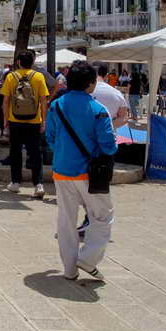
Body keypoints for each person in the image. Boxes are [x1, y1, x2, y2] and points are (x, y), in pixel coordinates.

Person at [45, 61, 117, 281]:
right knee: (102, 216)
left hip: (61, 170)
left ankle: (69, 269)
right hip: (89, 174)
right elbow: (109, 146)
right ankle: (88, 257)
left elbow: (50, 138)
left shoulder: (56, 106)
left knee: (66, 220)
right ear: (90, 83)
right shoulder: (98, 110)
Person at [1, 51, 50, 198]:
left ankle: (15, 182)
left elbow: (5, 100)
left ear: (19, 62)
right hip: (34, 120)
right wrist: (44, 119)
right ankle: (38, 184)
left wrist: (5, 119)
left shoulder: (11, 76)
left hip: (15, 120)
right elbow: (43, 100)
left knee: (15, 151)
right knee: (35, 153)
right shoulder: (38, 76)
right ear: (32, 62)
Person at [92, 62, 130, 131]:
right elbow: (124, 118)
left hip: (83, 137)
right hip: (108, 135)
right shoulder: (116, 93)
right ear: (106, 76)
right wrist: (106, 125)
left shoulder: (81, 91)